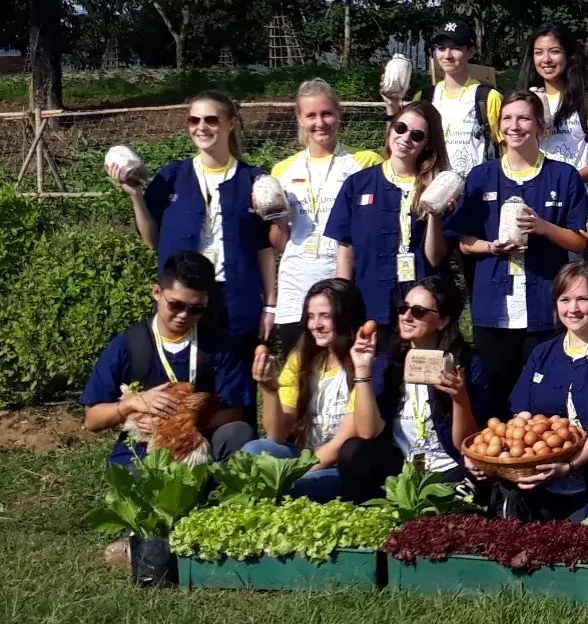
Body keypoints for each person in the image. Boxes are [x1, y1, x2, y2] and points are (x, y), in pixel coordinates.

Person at [450, 93, 588, 410]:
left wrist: (544, 228)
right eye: (508, 119)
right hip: (493, 309)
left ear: (540, 126)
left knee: (543, 399)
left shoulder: (562, 175)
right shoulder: (480, 176)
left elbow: (579, 241)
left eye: (524, 118)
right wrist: (491, 246)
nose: (515, 126)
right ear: (499, 127)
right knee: (496, 398)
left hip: (543, 307)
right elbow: (463, 242)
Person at [116, 91, 275, 358]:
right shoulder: (171, 177)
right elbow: (151, 241)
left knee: (235, 388)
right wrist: (135, 197)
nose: (201, 127)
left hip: (235, 300)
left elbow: (265, 251)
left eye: (211, 120)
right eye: (194, 120)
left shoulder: (255, 180)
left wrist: (270, 307)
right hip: (181, 302)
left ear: (231, 123)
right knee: (183, 389)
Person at [81, 252, 257, 463]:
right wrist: (132, 404)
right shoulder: (127, 345)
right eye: (176, 305)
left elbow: (234, 413)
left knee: (238, 434)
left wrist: (179, 425)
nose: (184, 315)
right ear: (157, 292)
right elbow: (92, 419)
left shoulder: (221, 346)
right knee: (137, 476)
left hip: (202, 439)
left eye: (196, 309)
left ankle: (219, 488)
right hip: (145, 442)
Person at [501, 263, 588, 518]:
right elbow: (523, 416)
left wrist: (571, 465)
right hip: (541, 486)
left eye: (582, 299)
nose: (573, 309)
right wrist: (516, 457)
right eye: (565, 299)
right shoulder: (543, 353)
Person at [248, 278, 401, 503]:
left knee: (294, 490)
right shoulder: (301, 358)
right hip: (303, 456)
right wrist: (270, 388)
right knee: (254, 449)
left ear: (345, 316)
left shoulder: (368, 363)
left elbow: (340, 444)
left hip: (341, 466)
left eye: (325, 316)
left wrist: (288, 475)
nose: (315, 325)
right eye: (310, 316)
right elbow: (276, 435)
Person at [264, 80, 382, 350]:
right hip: (297, 283)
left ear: (339, 114)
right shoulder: (282, 170)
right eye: (311, 115)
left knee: (344, 371)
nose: (320, 122)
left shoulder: (364, 162)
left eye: (327, 113)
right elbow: (279, 242)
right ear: (299, 118)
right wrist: (275, 217)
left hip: (342, 277)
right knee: (299, 374)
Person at [354, 270, 492, 492]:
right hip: (401, 469)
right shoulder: (386, 364)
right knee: (354, 452)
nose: (406, 316)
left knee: (444, 511)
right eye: (403, 308)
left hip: (448, 467)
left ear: (443, 320)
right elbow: (367, 432)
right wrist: (362, 369)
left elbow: (467, 444)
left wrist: (459, 397)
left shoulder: (467, 364)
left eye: (418, 311)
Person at [328, 102, 455, 325]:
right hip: (370, 305)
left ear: (427, 144)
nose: (405, 138)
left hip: (419, 311)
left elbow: (436, 258)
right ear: (390, 128)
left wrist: (434, 213)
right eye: (400, 128)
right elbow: (345, 249)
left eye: (417, 135)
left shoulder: (439, 187)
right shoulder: (358, 184)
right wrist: (342, 301)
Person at [517, 24, 588, 186]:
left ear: (569, 55)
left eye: (555, 51)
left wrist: (566, 181)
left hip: (582, 198)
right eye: (538, 53)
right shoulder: (524, 103)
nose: (546, 59)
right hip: (538, 196)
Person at [421, 21, 501, 179]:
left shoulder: (488, 97)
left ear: (471, 52)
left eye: (456, 48)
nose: (447, 55)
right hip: (431, 190)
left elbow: (507, 147)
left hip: (476, 191)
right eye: (441, 48)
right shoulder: (425, 97)